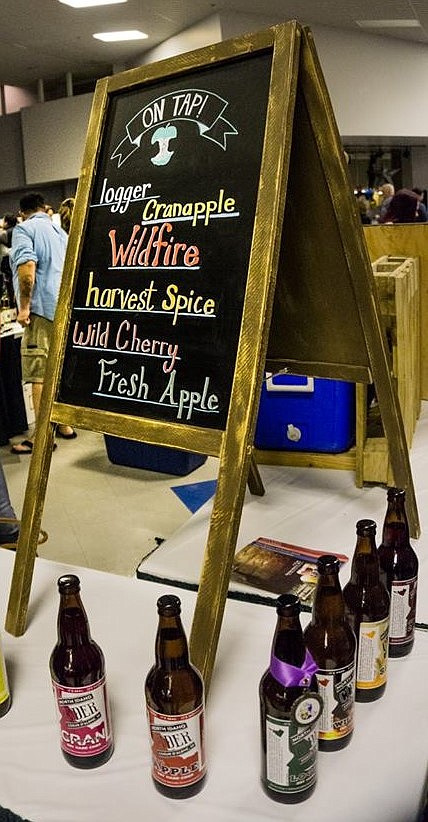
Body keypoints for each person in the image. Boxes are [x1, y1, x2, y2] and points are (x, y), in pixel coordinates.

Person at [9, 192, 76, 454]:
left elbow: (27, 271)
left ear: (23, 212)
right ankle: (64, 425)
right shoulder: (59, 231)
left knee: (39, 374)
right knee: (58, 370)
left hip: (41, 311)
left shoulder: (24, 230)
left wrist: (24, 307)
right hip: (63, 309)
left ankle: (40, 438)